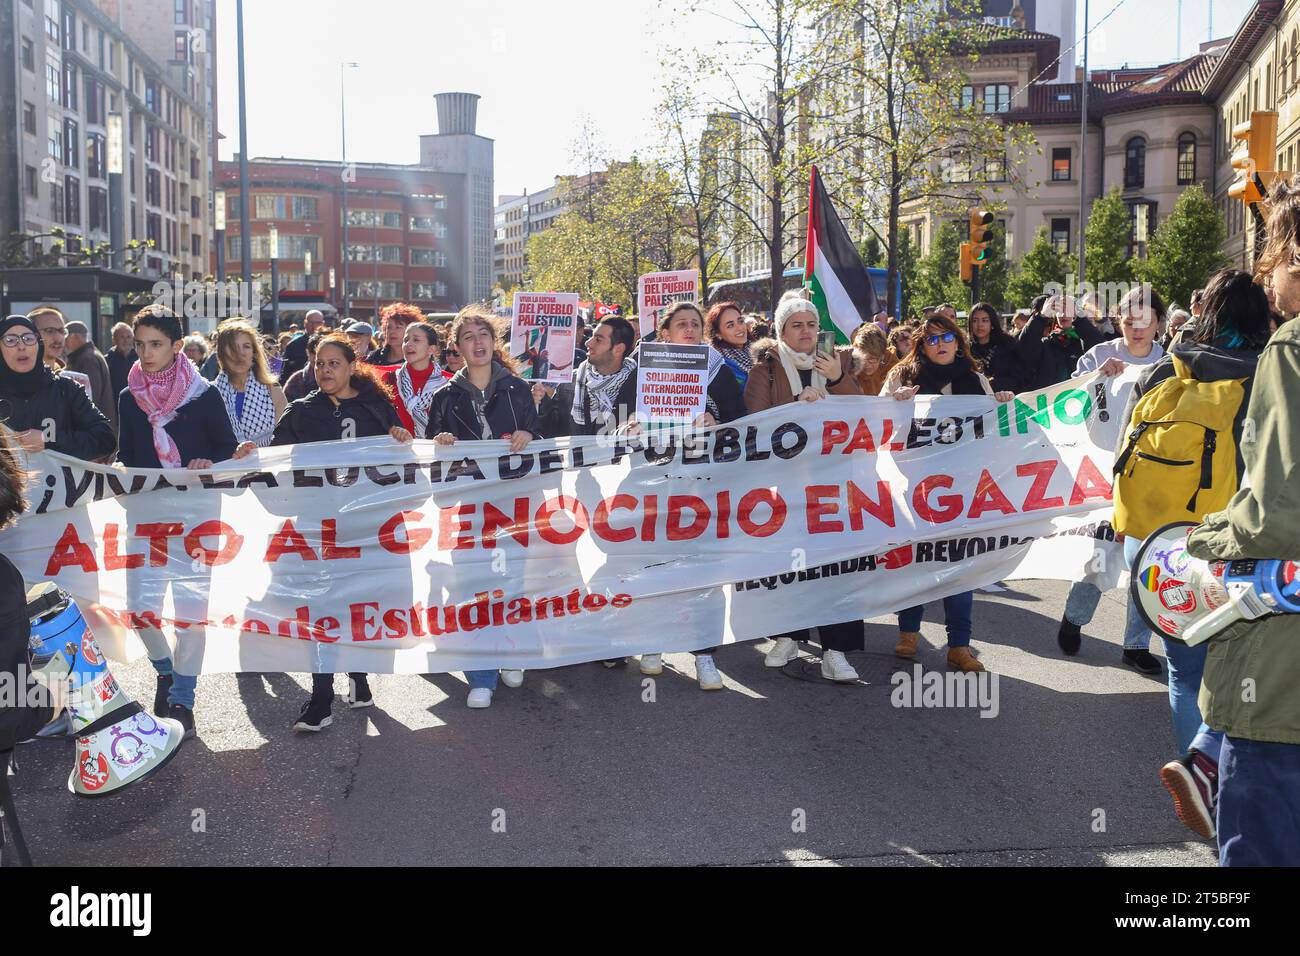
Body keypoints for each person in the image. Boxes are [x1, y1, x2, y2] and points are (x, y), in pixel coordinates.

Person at [1176, 180, 1300, 866]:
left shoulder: (1291, 350)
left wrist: (1204, 540)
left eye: (1274, 255)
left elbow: (1279, 512)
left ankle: (1206, 757)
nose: (1266, 274)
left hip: (1281, 682)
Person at [1123, 270, 1270, 842]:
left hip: (1161, 545)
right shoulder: (1266, 375)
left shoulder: (1167, 368)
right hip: (1232, 543)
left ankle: (1199, 776)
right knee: (1246, 671)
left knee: (1186, 671)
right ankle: (1233, 781)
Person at [117, 305, 256, 738]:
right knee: (141, 611)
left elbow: (226, 452)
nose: (146, 353)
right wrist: (126, 475)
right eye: (140, 344)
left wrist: (207, 463)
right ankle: (165, 671)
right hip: (148, 521)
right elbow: (128, 459)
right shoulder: (128, 397)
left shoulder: (204, 395)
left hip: (197, 521)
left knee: (191, 614)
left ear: (177, 347)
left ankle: (183, 698)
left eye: (155, 344)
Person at [272, 333, 413, 732]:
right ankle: (321, 698)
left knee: (357, 605)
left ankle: (360, 677)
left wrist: (401, 437)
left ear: (352, 366)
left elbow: (402, 457)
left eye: (334, 363)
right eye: (319, 364)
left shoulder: (376, 407)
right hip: (319, 527)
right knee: (322, 608)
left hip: (366, 527)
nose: (326, 370)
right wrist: (251, 453)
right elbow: (275, 458)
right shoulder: (301, 411)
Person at [882, 314, 1014, 673]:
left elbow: (994, 430)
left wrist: (1001, 401)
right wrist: (894, 402)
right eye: (931, 340)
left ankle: (959, 645)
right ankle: (908, 633)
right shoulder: (903, 377)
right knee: (917, 563)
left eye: (947, 338)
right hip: (916, 488)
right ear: (921, 345)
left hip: (962, 491)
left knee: (959, 567)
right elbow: (876, 424)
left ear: (959, 342)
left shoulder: (975, 381)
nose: (940, 345)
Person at [746, 297, 866, 683]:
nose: (806, 331)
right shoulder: (766, 369)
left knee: (837, 567)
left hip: (834, 485)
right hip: (786, 487)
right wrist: (797, 404)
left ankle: (836, 651)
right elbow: (755, 422)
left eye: (811, 324)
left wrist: (835, 379)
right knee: (790, 564)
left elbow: (862, 414)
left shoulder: (840, 362)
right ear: (781, 331)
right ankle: (787, 636)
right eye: (796, 325)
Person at [1056, 286, 1169, 675]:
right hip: (1103, 472)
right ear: (1119, 322)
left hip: (1153, 473)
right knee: (1099, 556)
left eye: (1146, 321)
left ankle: (1136, 644)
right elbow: (1068, 404)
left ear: (1158, 324)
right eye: (1129, 321)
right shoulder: (1099, 356)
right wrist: (1096, 379)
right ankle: (1075, 617)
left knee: (1146, 560)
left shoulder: (1170, 363)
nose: (1137, 330)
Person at [427, 306, 535, 708]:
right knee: (473, 588)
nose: (478, 342)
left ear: (495, 342)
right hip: (468, 509)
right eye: (469, 336)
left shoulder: (519, 390)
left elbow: (542, 440)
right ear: (456, 346)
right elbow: (431, 457)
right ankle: (481, 675)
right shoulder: (445, 397)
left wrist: (530, 432)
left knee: (512, 583)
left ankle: (511, 652)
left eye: (484, 334)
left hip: (512, 504)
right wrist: (440, 442)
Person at [0, 315, 115, 461]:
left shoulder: (67, 390)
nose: (21, 346)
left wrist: (49, 441)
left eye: (28, 338)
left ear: (38, 345)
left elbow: (105, 439)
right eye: (10, 340)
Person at [213, 319, 288, 448]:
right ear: (221, 353)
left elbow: (284, 439)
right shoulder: (210, 393)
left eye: (246, 346)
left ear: (254, 353)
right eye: (232, 347)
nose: (240, 354)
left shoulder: (273, 391)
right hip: (225, 466)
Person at [1016, 292, 1105, 389]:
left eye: (1068, 310)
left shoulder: (1083, 341)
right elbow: (1024, 346)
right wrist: (1041, 317)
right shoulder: (1046, 343)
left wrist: (1080, 318)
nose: (1063, 314)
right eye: (1059, 310)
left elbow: (1100, 349)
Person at [569, 316, 638, 436]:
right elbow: (550, 431)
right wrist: (541, 402)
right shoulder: (570, 383)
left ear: (618, 349)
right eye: (592, 337)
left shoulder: (640, 389)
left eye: (598, 340)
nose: (588, 343)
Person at [380, 321, 445, 436]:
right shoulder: (389, 379)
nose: (408, 344)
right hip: (399, 452)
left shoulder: (446, 385)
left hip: (436, 452)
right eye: (406, 340)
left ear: (432, 349)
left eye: (416, 340)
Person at [64, 321, 118, 431]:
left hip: (94, 430)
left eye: (65, 337)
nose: (63, 341)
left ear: (75, 337)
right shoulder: (89, 355)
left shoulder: (87, 359)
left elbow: (90, 396)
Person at [967, 301, 1027, 393]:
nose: (980, 325)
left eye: (985, 320)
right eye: (975, 321)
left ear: (992, 323)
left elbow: (1018, 378)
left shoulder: (1007, 344)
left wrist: (991, 384)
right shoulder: (965, 348)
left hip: (1005, 401)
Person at [707, 300, 753, 390]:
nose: (739, 328)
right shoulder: (717, 365)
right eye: (730, 325)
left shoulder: (762, 352)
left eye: (740, 321)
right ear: (718, 334)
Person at [369, 302, 423, 366]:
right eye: (389, 327)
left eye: (398, 327)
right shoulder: (374, 358)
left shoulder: (418, 360)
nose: (392, 331)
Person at [279, 309, 325, 384]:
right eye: (311, 322)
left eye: (318, 323)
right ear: (305, 323)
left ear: (323, 323)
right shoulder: (293, 346)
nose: (314, 326)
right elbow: (285, 374)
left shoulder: (331, 344)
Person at [850, 322, 896, 396]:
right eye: (861, 359)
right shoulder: (848, 366)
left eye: (872, 359)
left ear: (881, 356)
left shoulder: (891, 363)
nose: (866, 364)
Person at [283, 332, 322, 402]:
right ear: (307, 352)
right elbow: (284, 408)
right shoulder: (296, 380)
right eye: (313, 353)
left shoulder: (338, 378)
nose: (317, 358)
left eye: (321, 354)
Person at [107, 321, 137, 399]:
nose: (126, 340)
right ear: (114, 339)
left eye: (129, 337)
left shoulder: (141, 359)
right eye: (122, 337)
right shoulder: (108, 360)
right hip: (115, 405)